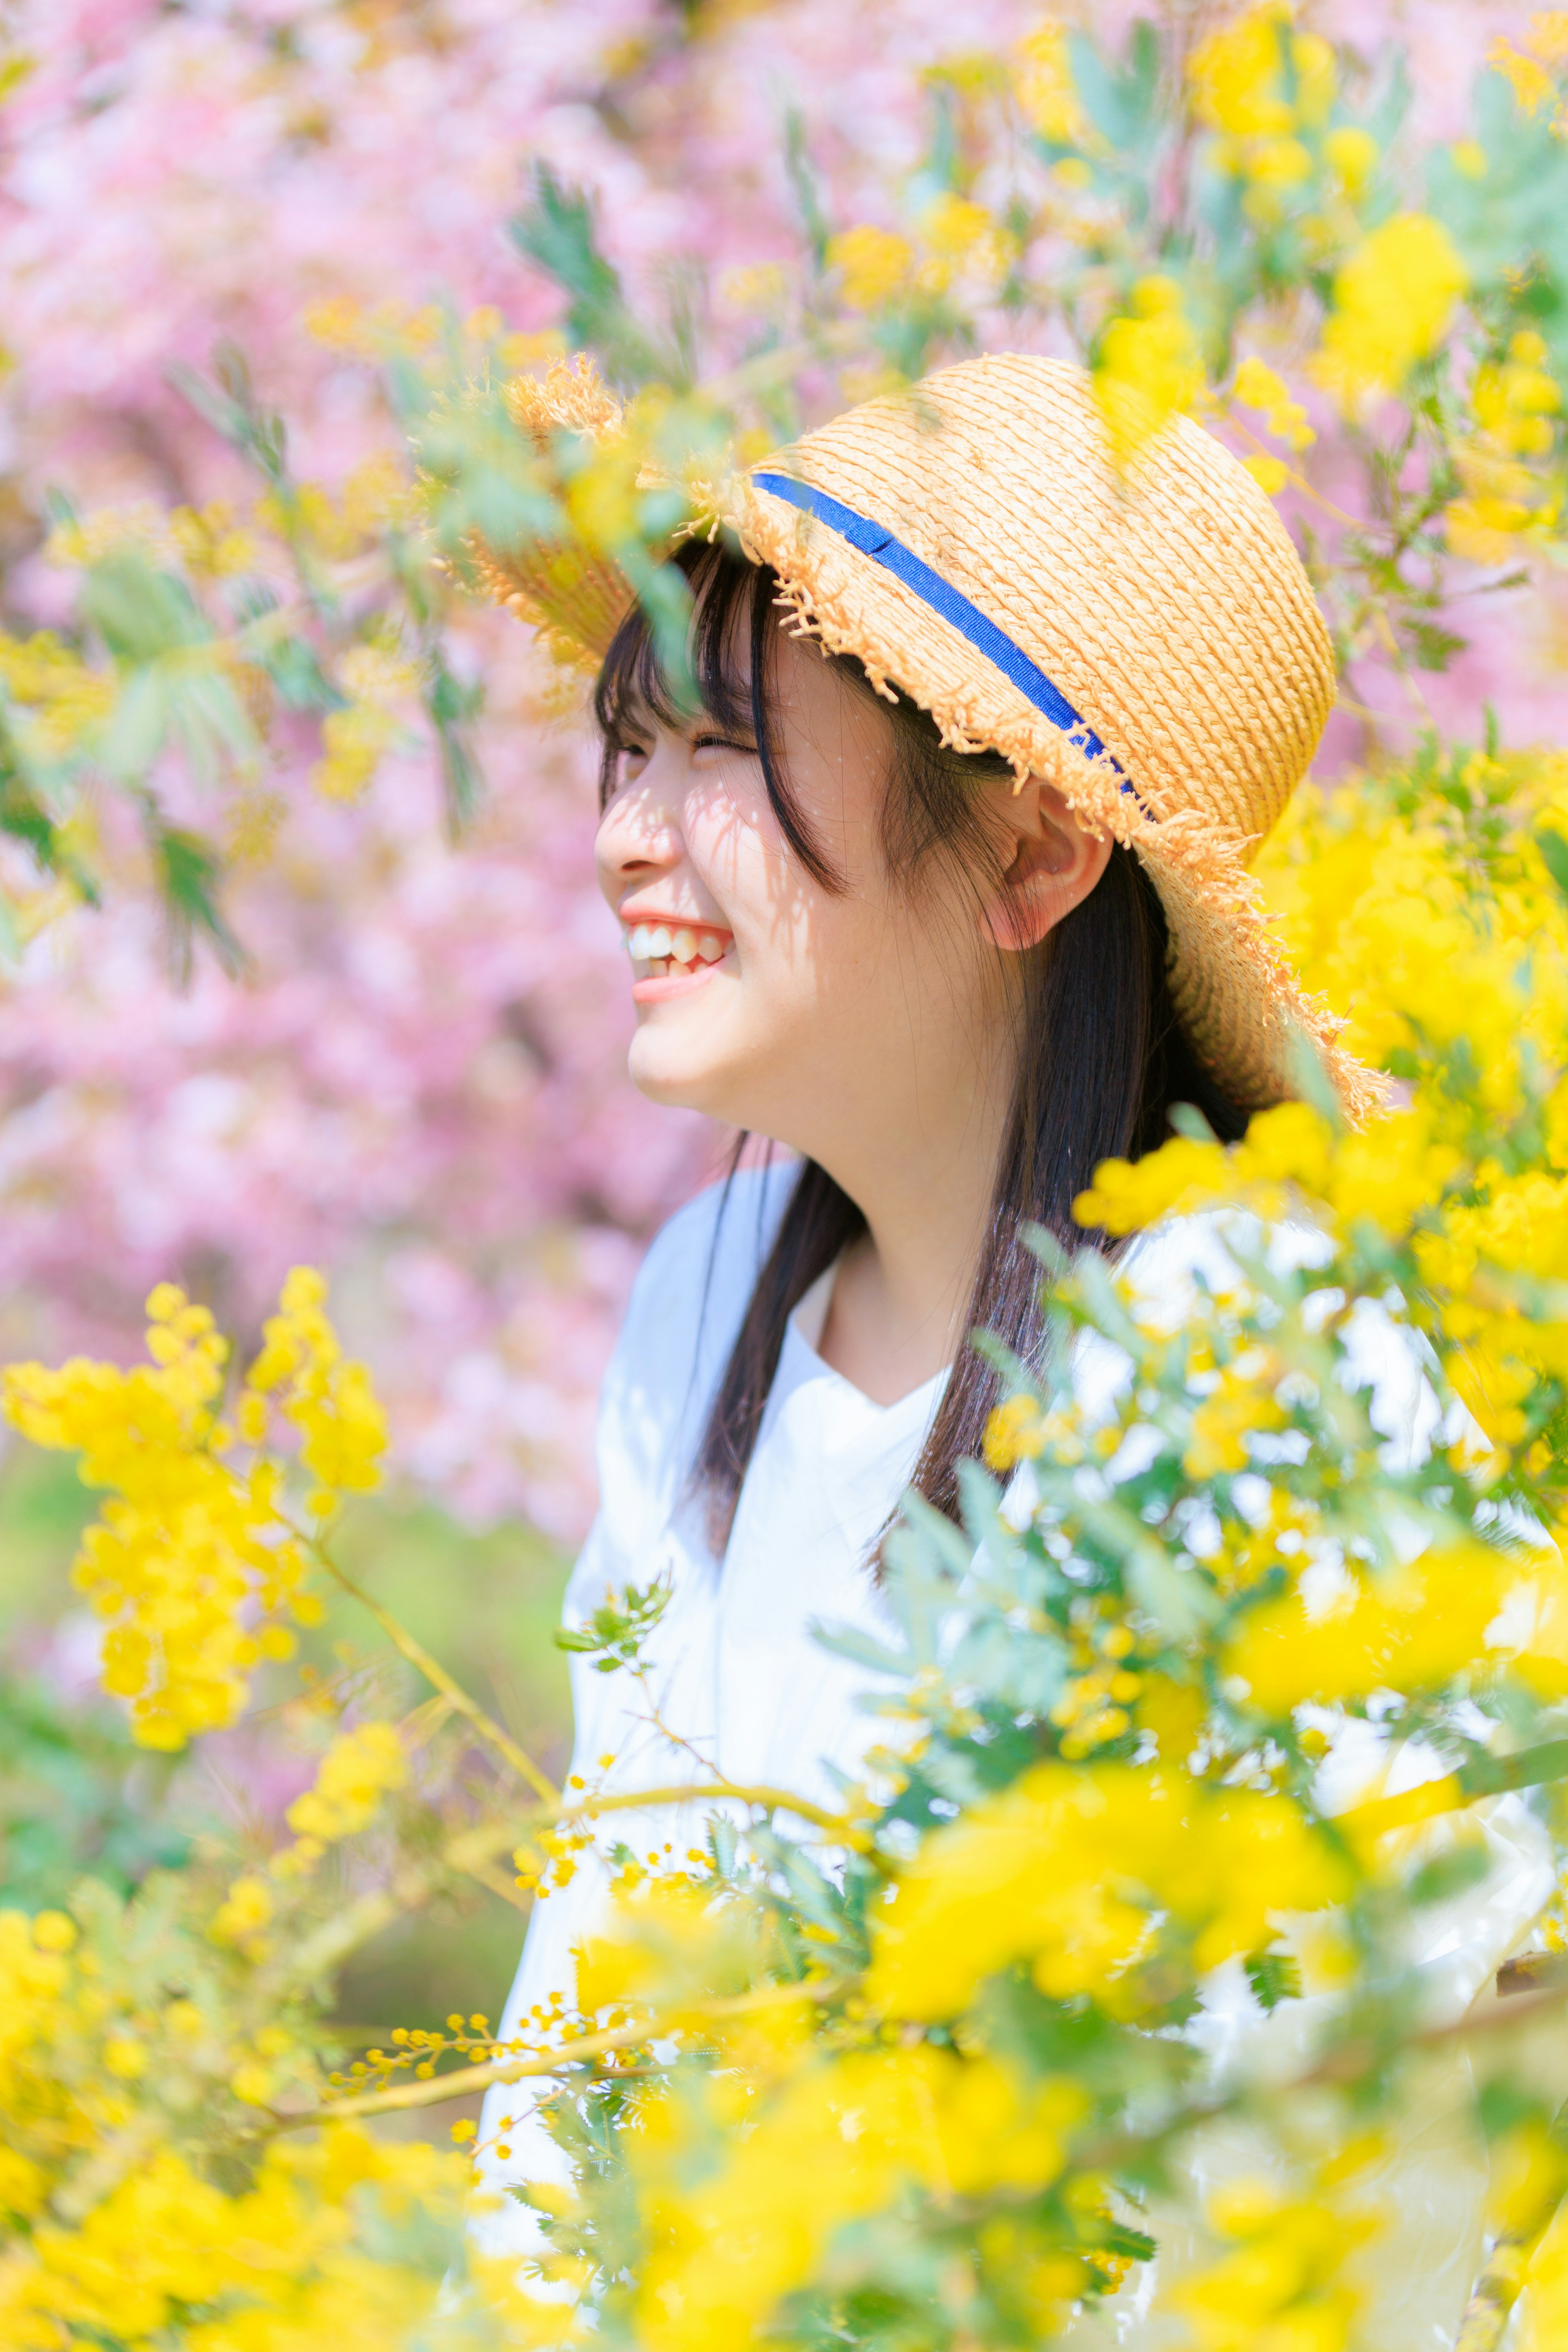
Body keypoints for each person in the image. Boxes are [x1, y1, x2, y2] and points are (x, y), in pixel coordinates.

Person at [470, 354, 1551, 2343]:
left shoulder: (1267, 1376)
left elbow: (1350, 2178)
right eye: (627, 747)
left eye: (718, 748)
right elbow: (591, 1996)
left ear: (1041, 860)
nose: (632, 829)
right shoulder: (698, 1305)